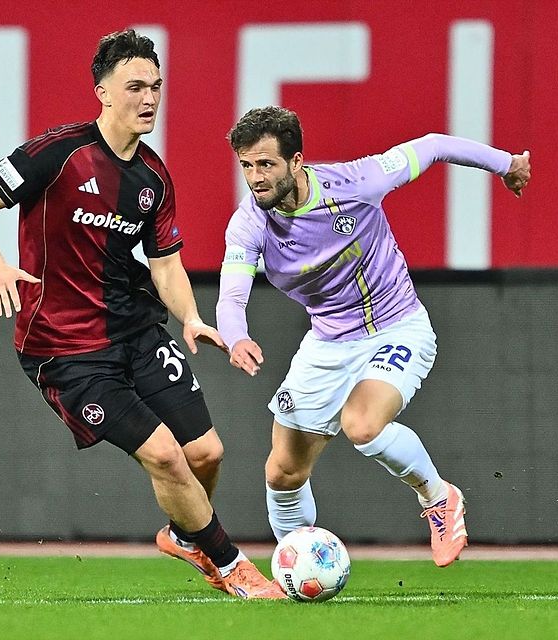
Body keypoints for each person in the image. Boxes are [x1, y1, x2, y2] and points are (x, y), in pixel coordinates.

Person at [0, 30, 284, 599]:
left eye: (155, 86)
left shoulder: (153, 177)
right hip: (65, 349)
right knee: (164, 454)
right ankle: (233, 566)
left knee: (206, 453)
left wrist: (190, 318)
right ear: (103, 92)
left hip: (135, 330)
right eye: (135, 86)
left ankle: (185, 536)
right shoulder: (58, 152)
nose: (149, 98)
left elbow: (166, 266)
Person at [215, 106, 530, 566]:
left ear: (296, 161)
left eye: (266, 164)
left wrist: (507, 164)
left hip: (395, 327)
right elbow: (231, 298)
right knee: (283, 472)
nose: (255, 178)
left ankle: (438, 497)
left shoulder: (356, 183)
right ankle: (298, 568)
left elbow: (434, 145)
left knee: (362, 425)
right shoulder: (249, 224)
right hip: (326, 343)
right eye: (246, 165)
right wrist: (237, 336)